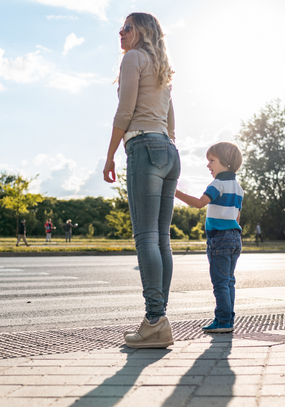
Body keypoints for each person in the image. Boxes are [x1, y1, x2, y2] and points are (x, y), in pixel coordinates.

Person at [103, 12, 180, 349]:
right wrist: (166, 148)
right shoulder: (162, 68)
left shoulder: (133, 58)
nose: (121, 32)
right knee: (161, 238)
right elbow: (171, 119)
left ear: (142, 31)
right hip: (167, 150)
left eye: (127, 27)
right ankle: (157, 319)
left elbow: (125, 110)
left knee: (146, 237)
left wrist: (110, 155)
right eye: (120, 28)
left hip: (144, 147)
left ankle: (154, 320)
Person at [175, 142, 243, 333]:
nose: (208, 165)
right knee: (229, 281)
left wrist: (174, 191)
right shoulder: (238, 188)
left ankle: (223, 321)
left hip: (219, 239)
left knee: (220, 282)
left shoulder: (217, 184)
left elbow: (198, 203)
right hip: (234, 238)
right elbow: (237, 216)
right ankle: (228, 318)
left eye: (211, 160)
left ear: (226, 162)